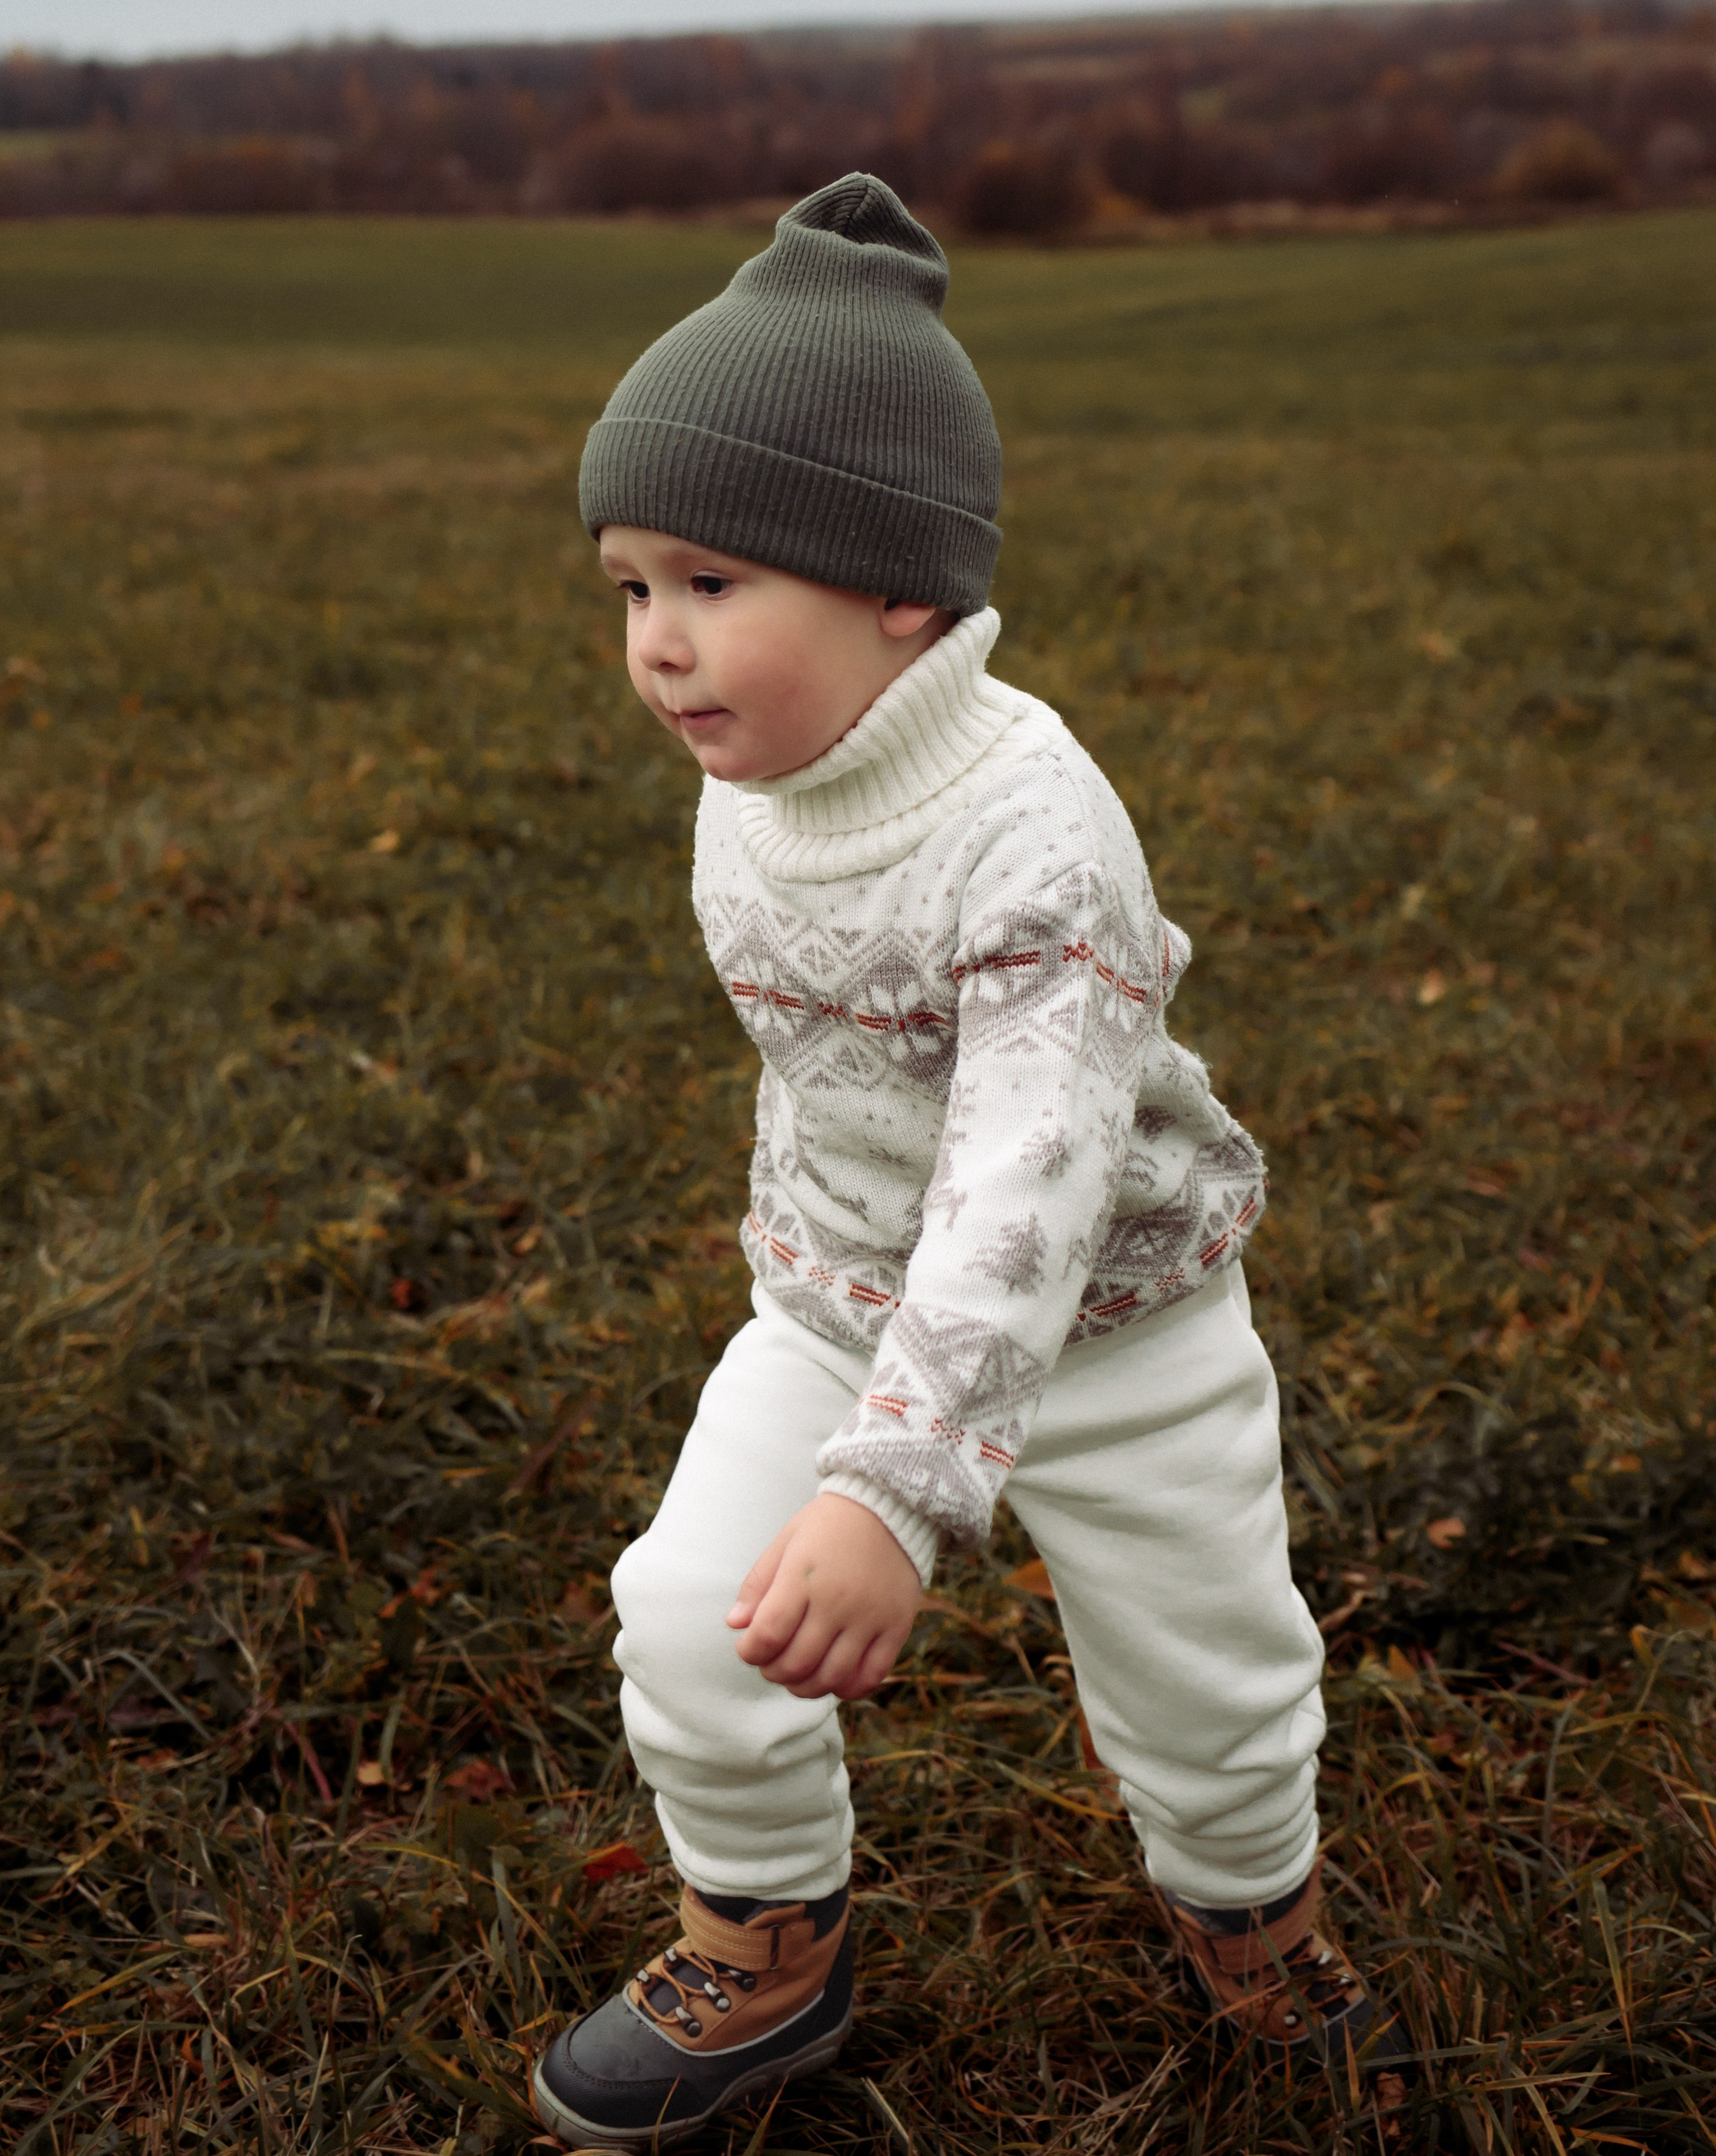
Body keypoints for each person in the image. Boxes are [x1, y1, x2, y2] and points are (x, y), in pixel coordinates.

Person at [532, 175, 1401, 2148]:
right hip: (840, 1310)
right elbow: (829, 1078)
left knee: (1213, 1685)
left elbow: (1026, 1172)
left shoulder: (1035, 833)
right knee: (688, 1615)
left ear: (898, 591)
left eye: (710, 583)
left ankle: (1251, 1912)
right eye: (630, 590)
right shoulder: (753, 782)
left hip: (1114, 1334)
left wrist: (901, 1490)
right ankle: (765, 1938)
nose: (660, 649)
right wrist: (837, 1353)